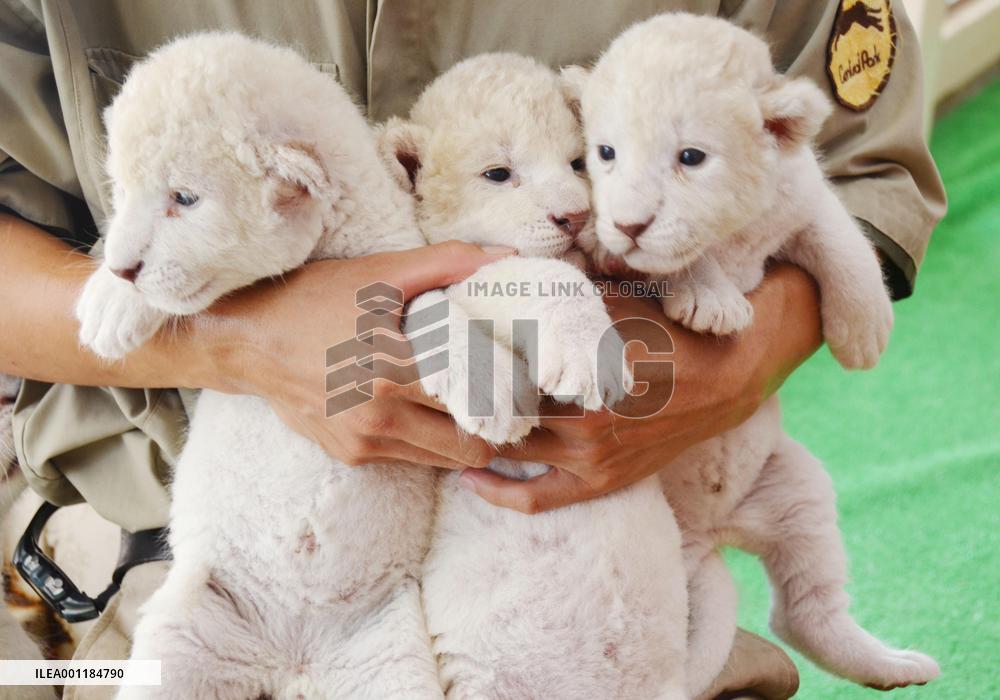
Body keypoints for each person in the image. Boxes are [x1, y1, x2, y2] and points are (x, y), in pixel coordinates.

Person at [0, 2, 944, 699]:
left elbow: (859, 167)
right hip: (191, 551)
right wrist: (236, 346)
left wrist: (735, 365)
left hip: (611, 557)